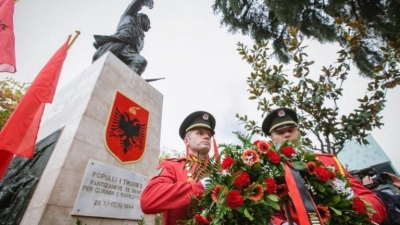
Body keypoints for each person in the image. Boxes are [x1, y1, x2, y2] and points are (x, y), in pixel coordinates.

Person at [261, 107, 387, 225]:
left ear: (298, 132)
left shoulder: (328, 161)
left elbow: (374, 203)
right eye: (280, 132)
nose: (287, 135)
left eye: (290, 130)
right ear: (272, 139)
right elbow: (268, 213)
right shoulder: (267, 171)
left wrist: (353, 205)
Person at [140, 111, 216, 225]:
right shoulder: (172, 166)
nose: (207, 136)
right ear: (187, 141)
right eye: (200, 133)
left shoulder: (216, 172)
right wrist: (200, 187)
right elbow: (148, 201)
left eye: (209, 135)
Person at [92, 0, 153, 76]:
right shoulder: (129, 15)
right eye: (148, 22)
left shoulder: (141, 36)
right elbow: (135, 4)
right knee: (98, 66)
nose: (149, 26)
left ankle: (131, 81)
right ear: (143, 18)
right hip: (118, 44)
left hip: (129, 51)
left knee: (141, 61)